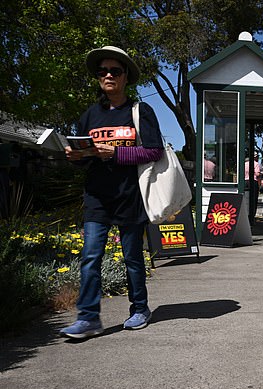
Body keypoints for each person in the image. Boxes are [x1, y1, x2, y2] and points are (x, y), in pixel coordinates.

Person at [59, 46, 164, 339]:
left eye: (114, 71)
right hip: (96, 197)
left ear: (125, 77)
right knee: (91, 257)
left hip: (130, 196)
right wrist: (77, 158)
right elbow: (85, 156)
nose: (108, 75)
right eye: (102, 71)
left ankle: (140, 309)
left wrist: (114, 154)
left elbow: (154, 151)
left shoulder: (140, 111)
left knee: (132, 258)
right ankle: (89, 318)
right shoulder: (89, 115)